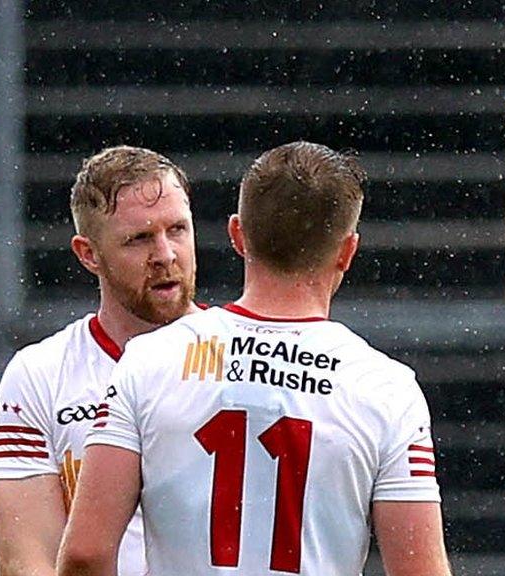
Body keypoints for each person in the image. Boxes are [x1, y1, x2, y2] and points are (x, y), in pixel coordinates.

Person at [57, 141, 452, 576]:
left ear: (237, 235)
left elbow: (86, 554)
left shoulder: (150, 360)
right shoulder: (385, 388)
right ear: (347, 252)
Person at [0, 145, 200, 576]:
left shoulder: (243, 358)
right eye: (139, 238)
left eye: (177, 229)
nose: (165, 255)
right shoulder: (39, 376)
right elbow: (26, 561)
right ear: (88, 254)